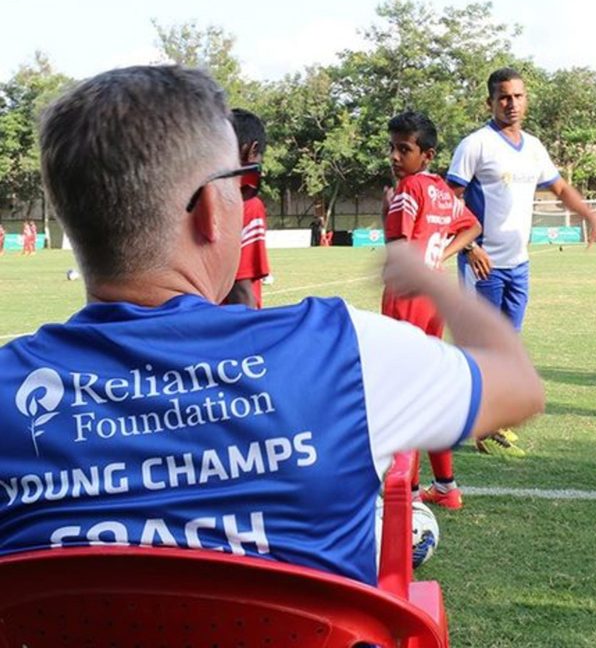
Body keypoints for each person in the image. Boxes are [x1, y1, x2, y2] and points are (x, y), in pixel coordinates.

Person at [0, 64, 544, 588]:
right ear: (210, 210)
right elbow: (517, 386)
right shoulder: (337, 352)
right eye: (243, 183)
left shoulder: (10, 389)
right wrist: (433, 281)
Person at [447, 67, 596, 457]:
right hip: (483, 264)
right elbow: (449, 198)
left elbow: (559, 187)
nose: (512, 103)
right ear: (490, 102)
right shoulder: (475, 145)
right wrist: (470, 248)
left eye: (518, 96)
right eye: (504, 97)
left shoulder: (534, 147)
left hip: (518, 264)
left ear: (526, 99)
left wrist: (591, 215)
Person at [381, 110, 482, 510]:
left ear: (427, 154)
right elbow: (472, 226)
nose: (394, 156)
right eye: (392, 148)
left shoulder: (408, 189)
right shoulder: (441, 190)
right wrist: (442, 256)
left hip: (407, 296)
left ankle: (406, 492)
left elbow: (399, 250)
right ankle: (445, 485)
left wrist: (387, 212)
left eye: (404, 149)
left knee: (402, 394)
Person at [224, 108, 272, 309]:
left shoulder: (192, 195)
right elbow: (241, 291)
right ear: (252, 149)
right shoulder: (248, 203)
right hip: (230, 323)